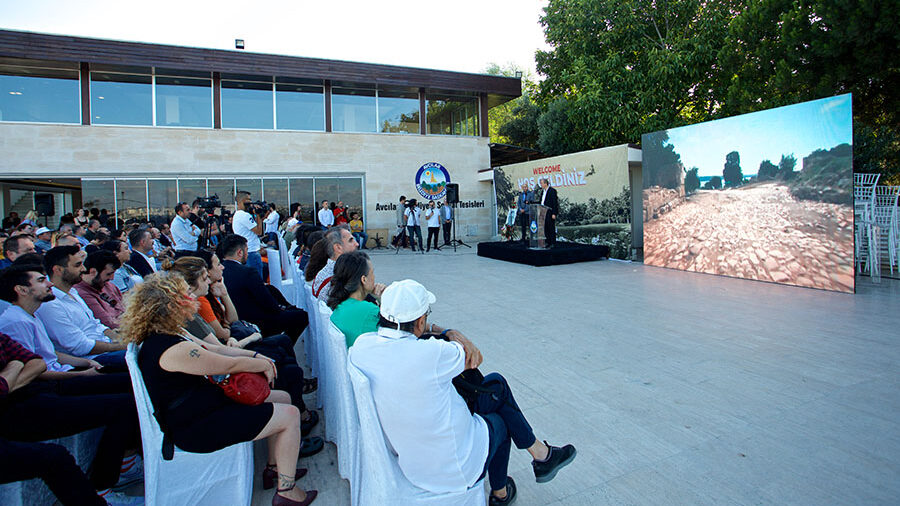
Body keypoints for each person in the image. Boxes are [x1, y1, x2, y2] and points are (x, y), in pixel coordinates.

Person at [348, 280, 576, 505]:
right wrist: (449, 331)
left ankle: (540, 456)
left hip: (413, 465)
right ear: (419, 322)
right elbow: (475, 356)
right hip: (454, 467)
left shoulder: (361, 347)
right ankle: (505, 489)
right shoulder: (432, 354)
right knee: (501, 416)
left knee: (495, 386)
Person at [120, 273, 318, 506]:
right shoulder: (169, 349)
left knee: (283, 397)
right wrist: (261, 364)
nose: (192, 297)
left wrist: (256, 355)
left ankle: (275, 468)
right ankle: (287, 491)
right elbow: (225, 365)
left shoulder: (170, 333)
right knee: (290, 415)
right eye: (187, 294)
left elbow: (217, 350)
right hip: (195, 426)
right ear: (171, 305)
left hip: (204, 407)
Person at [161, 257, 322, 442]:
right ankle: (298, 420)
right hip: (221, 376)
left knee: (282, 349)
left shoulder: (197, 307)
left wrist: (225, 295)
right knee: (287, 367)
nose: (220, 269)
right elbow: (220, 346)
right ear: (190, 286)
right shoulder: (193, 314)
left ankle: (296, 420)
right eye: (205, 277)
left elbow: (232, 322)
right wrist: (256, 357)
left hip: (226, 357)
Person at [0, 331, 143, 506]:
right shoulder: (16, 320)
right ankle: (104, 487)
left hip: (33, 391)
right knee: (55, 458)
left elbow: (37, 363)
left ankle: (125, 466)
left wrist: (8, 379)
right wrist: (14, 365)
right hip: (16, 410)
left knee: (130, 395)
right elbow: (77, 346)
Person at [34, 246, 127, 368]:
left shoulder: (72, 292)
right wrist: (121, 346)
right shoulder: (50, 304)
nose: (83, 269)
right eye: (77, 265)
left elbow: (96, 324)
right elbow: (80, 346)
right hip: (92, 359)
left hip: (106, 348)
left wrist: (121, 339)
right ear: (58, 270)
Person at [219, 235, 309, 342]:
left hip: (236, 320)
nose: (247, 254)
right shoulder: (248, 272)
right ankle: (281, 343)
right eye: (247, 250)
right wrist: (282, 310)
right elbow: (268, 303)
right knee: (302, 316)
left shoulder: (220, 272)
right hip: (258, 321)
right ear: (240, 252)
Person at [326, 251, 386, 347]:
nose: (374, 277)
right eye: (372, 273)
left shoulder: (341, 305)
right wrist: (383, 299)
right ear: (364, 279)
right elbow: (393, 335)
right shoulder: (368, 310)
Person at [74, 249, 125, 329]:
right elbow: (107, 323)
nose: (112, 278)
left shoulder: (108, 285)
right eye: (108, 274)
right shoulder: (81, 293)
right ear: (93, 272)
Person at [312, 225, 357, 303]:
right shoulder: (340, 278)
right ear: (338, 247)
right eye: (351, 240)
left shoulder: (325, 272)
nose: (356, 244)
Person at [233, 192, 265, 278]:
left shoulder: (237, 215)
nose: (251, 202)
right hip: (251, 252)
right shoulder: (244, 215)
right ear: (242, 201)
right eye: (249, 200)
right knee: (257, 278)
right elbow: (259, 231)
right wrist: (258, 215)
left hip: (247, 251)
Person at [540, 178, 559, 247]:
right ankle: (547, 242)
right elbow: (541, 202)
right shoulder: (542, 192)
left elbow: (554, 203)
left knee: (551, 227)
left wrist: (554, 213)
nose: (541, 185)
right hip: (543, 212)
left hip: (550, 212)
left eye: (541, 183)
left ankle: (552, 242)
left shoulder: (552, 191)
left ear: (545, 183)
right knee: (546, 228)